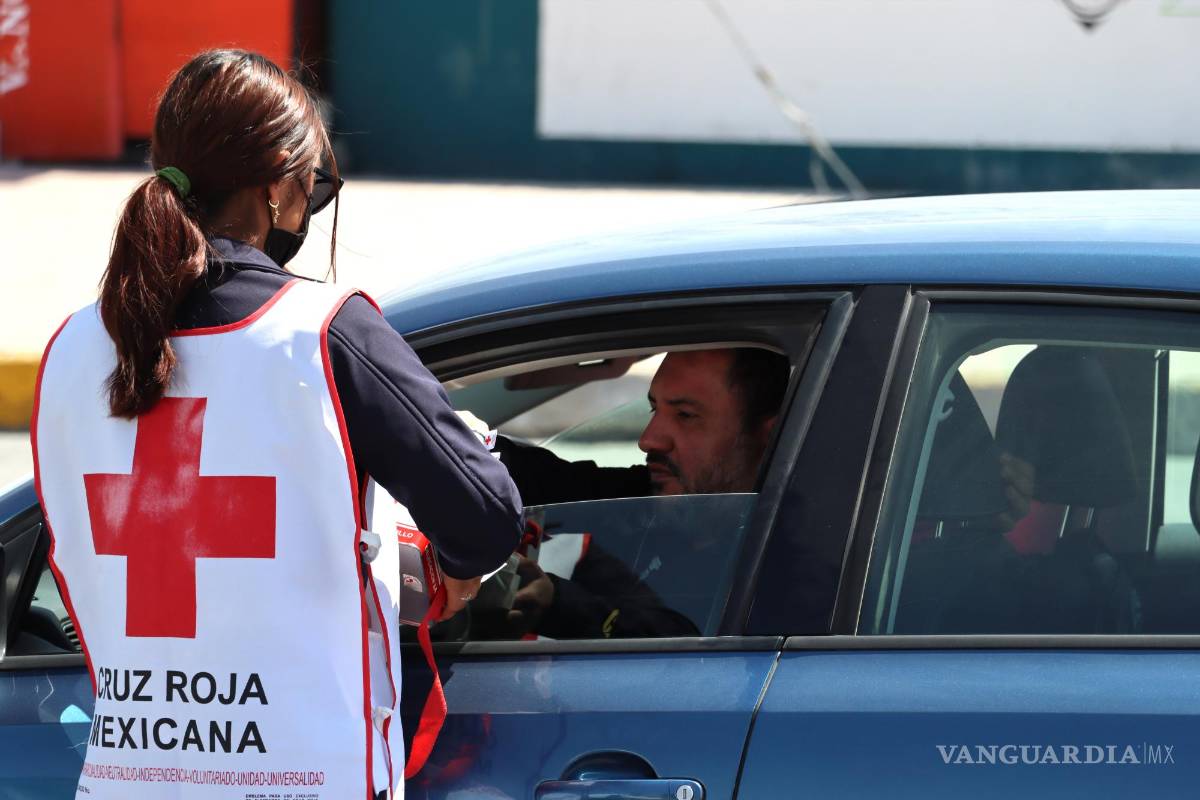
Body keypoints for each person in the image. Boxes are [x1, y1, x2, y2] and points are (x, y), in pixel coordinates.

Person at [31, 50, 522, 800]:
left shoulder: (70, 347)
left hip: (126, 781)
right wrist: (446, 574)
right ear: (278, 183)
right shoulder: (324, 331)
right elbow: (485, 517)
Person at [495, 348, 790, 639]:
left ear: (768, 436)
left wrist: (558, 605)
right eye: (654, 409)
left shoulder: (794, 563)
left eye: (685, 415)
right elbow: (542, 478)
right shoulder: (652, 497)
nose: (648, 439)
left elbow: (690, 663)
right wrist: (461, 449)